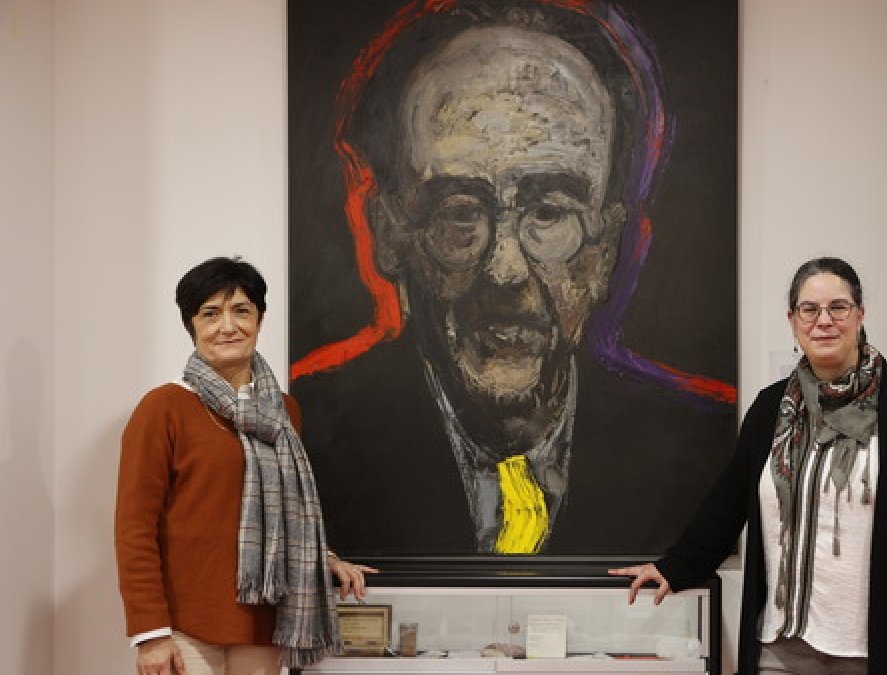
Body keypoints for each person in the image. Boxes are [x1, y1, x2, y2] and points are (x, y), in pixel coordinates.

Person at [290, 0, 736, 556]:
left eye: (549, 211)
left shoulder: (700, 446)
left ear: (605, 248)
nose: (505, 270)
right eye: (460, 211)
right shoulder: (310, 439)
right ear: (391, 233)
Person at [611, 257, 887, 675]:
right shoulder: (771, 409)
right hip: (780, 647)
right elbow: (728, 503)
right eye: (809, 309)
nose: (824, 321)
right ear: (793, 320)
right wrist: (676, 567)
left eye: (838, 308)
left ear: (860, 315)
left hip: (875, 649)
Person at [115, 257, 379, 674]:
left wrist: (322, 556)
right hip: (184, 625)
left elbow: (289, 507)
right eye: (210, 314)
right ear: (191, 326)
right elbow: (134, 528)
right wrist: (150, 632)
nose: (228, 326)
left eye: (241, 310)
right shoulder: (164, 407)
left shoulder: (284, 411)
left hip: (264, 621)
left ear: (259, 319)